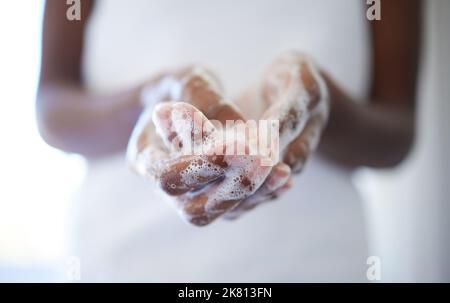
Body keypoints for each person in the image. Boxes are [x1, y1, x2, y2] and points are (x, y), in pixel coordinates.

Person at [37, 0, 420, 282]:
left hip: (315, 262)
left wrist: (321, 105)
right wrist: (149, 104)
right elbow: (51, 104)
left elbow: (398, 129)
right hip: (122, 261)